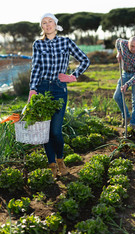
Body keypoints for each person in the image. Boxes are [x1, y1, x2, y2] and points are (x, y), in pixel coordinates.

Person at [28, 13, 90, 178]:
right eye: (44, 23)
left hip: (58, 88)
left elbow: (85, 60)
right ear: (42, 27)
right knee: (45, 131)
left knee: (55, 131)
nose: (47, 25)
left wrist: (73, 76)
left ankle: (60, 159)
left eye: (50, 22)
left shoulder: (66, 42)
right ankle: (52, 164)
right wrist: (32, 89)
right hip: (42, 88)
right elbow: (36, 68)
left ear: (55, 24)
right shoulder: (38, 44)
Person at [113, 36, 135, 129]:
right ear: (128, 43)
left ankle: (133, 123)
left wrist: (127, 84)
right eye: (132, 46)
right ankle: (126, 116)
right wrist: (119, 52)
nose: (133, 49)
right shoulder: (123, 43)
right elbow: (117, 41)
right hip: (125, 73)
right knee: (117, 96)